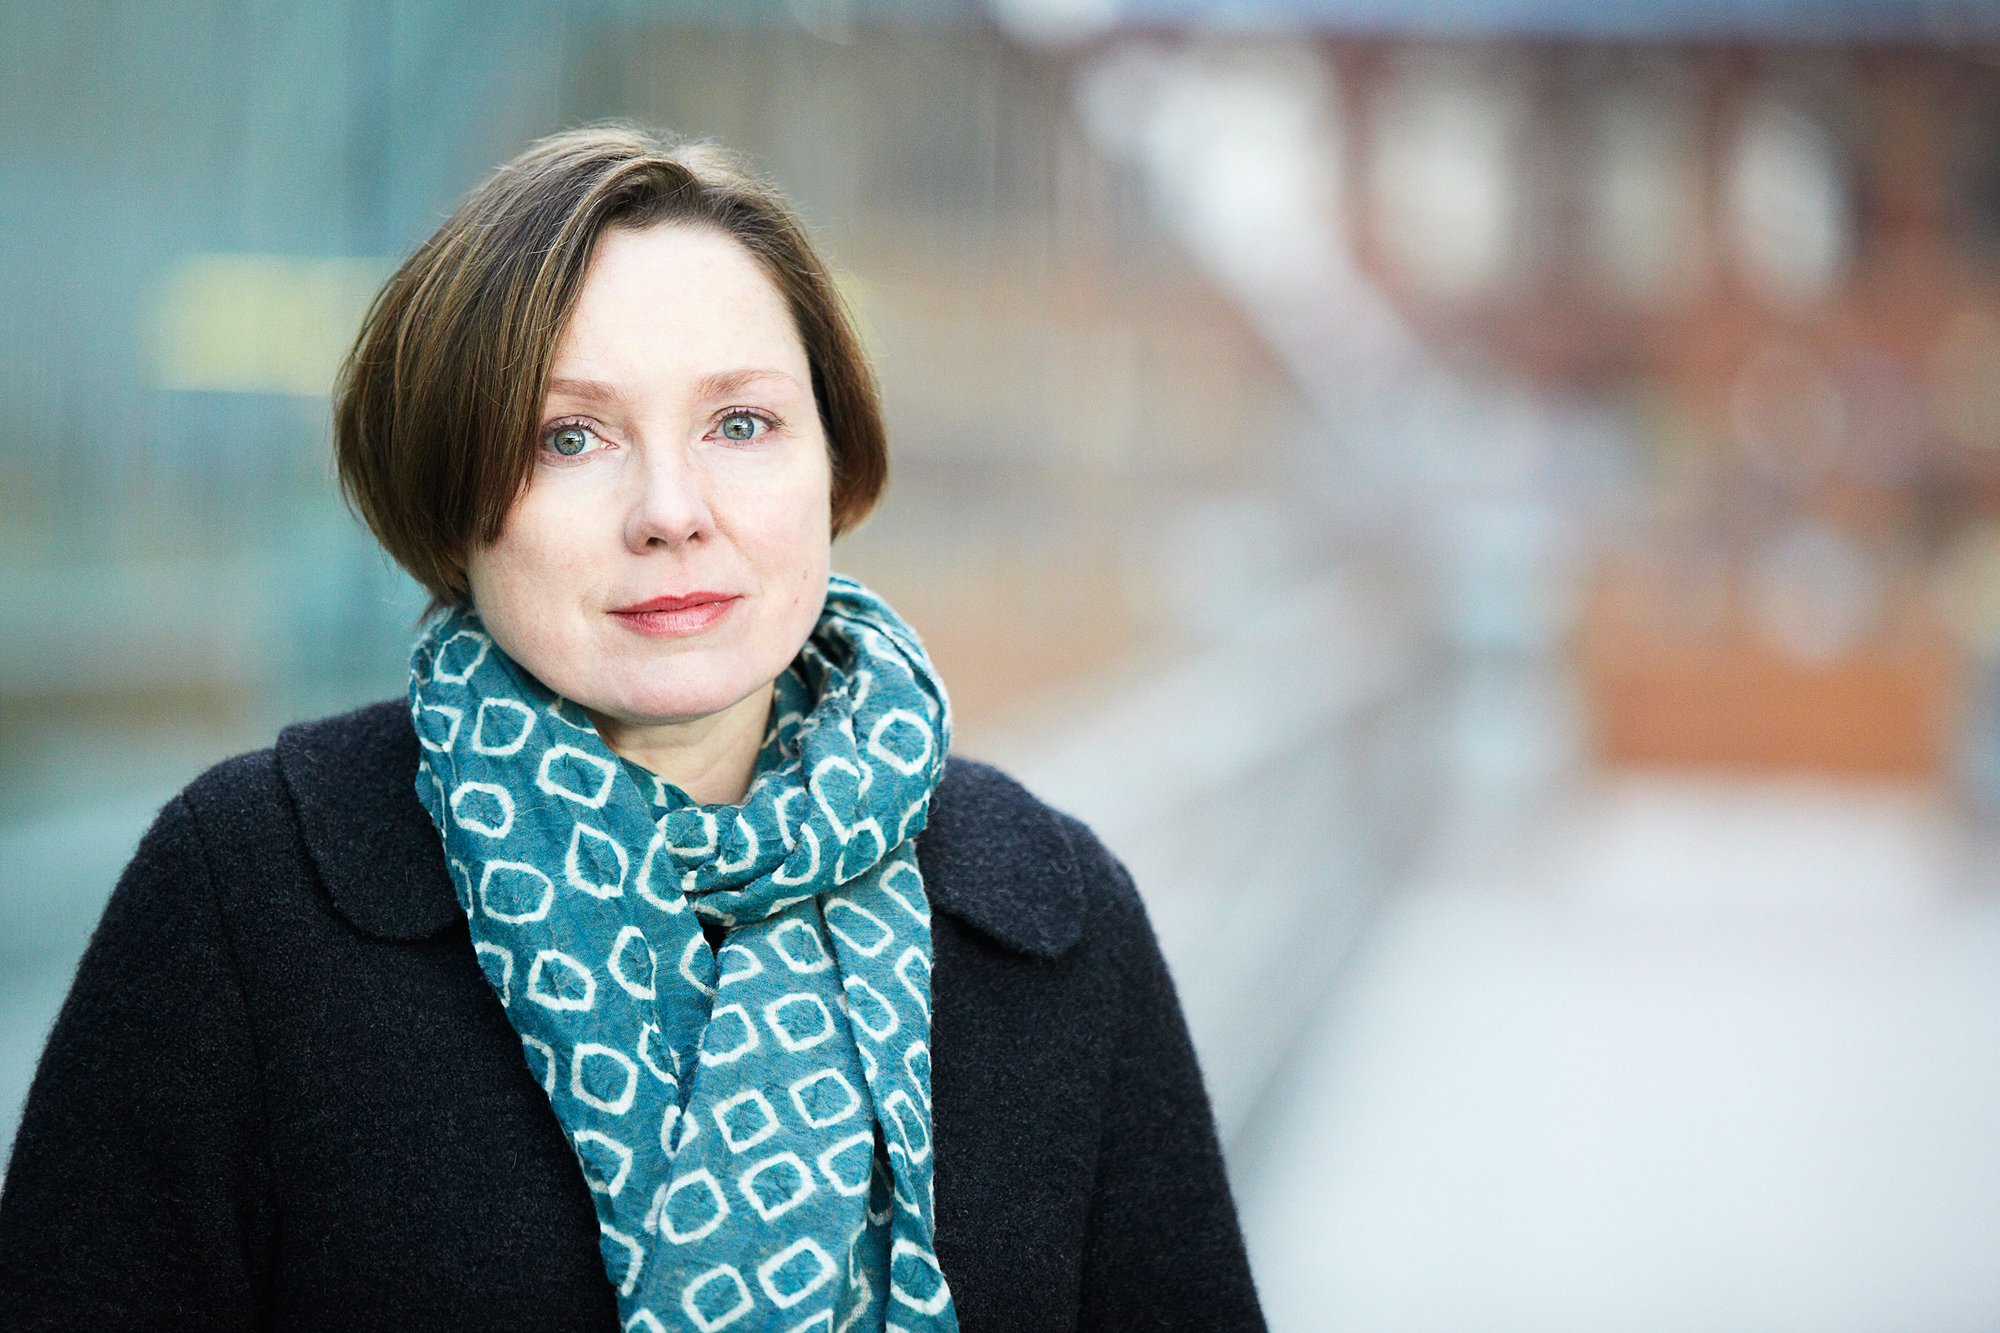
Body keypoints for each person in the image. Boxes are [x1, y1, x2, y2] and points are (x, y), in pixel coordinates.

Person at [0, 124, 1265, 1331]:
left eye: (740, 424)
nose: (670, 510)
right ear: (452, 500)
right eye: (570, 437)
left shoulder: (1052, 915)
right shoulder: (251, 893)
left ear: (834, 462)